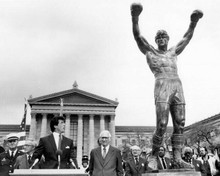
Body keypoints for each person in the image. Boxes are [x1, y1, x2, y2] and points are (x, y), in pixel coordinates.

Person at [130, 3, 203, 170]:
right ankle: (154, 155)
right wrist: (135, 17)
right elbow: (137, 36)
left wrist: (193, 22)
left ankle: (177, 157)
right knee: (162, 123)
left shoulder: (173, 52)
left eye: (164, 37)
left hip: (177, 84)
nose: (162, 39)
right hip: (162, 83)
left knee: (180, 122)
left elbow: (187, 37)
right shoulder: (150, 51)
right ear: (156, 41)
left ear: (168, 40)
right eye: (159, 37)